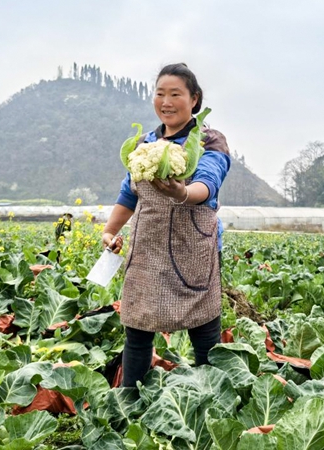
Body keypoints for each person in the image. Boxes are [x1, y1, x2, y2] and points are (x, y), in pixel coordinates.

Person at [102, 63, 231, 388]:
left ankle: (212, 400)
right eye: (160, 94)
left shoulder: (209, 140)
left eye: (176, 94)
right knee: (137, 331)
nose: (166, 101)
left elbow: (208, 183)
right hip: (147, 250)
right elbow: (128, 194)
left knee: (203, 333)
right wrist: (110, 231)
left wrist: (183, 193)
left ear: (194, 99)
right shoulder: (145, 144)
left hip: (194, 251)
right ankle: (131, 401)